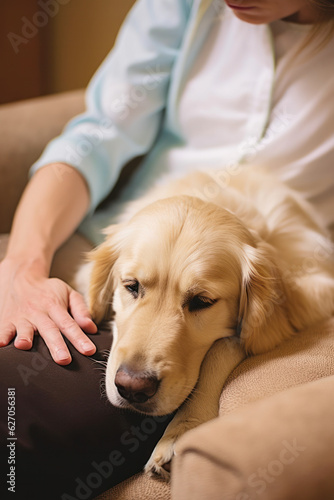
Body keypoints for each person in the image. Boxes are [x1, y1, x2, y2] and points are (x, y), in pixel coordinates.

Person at [0, 0, 333, 498]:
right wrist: (21, 266)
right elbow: (98, 134)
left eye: (200, 302)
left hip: (276, 252)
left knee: (21, 422)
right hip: (118, 237)